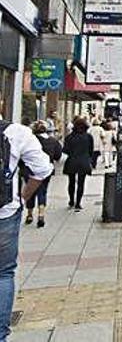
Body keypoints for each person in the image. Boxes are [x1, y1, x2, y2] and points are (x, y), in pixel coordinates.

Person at [0, 119, 53, 341]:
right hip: (5, 212)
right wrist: (23, 196)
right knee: (3, 273)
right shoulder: (16, 132)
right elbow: (43, 168)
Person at [24, 121, 63, 228]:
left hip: (30, 169)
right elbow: (58, 156)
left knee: (30, 191)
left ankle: (30, 214)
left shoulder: (30, 140)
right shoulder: (53, 141)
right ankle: (41, 214)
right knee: (42, 191)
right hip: (46, 170)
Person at [62, 117, 93, 211]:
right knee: (81, 183)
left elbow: (65, 150)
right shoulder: (88, 137)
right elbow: (91, 150)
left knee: (71, 182)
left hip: (72, 161)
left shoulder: (69, 137)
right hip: (84, 161)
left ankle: (71, 200)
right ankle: (78, 203)